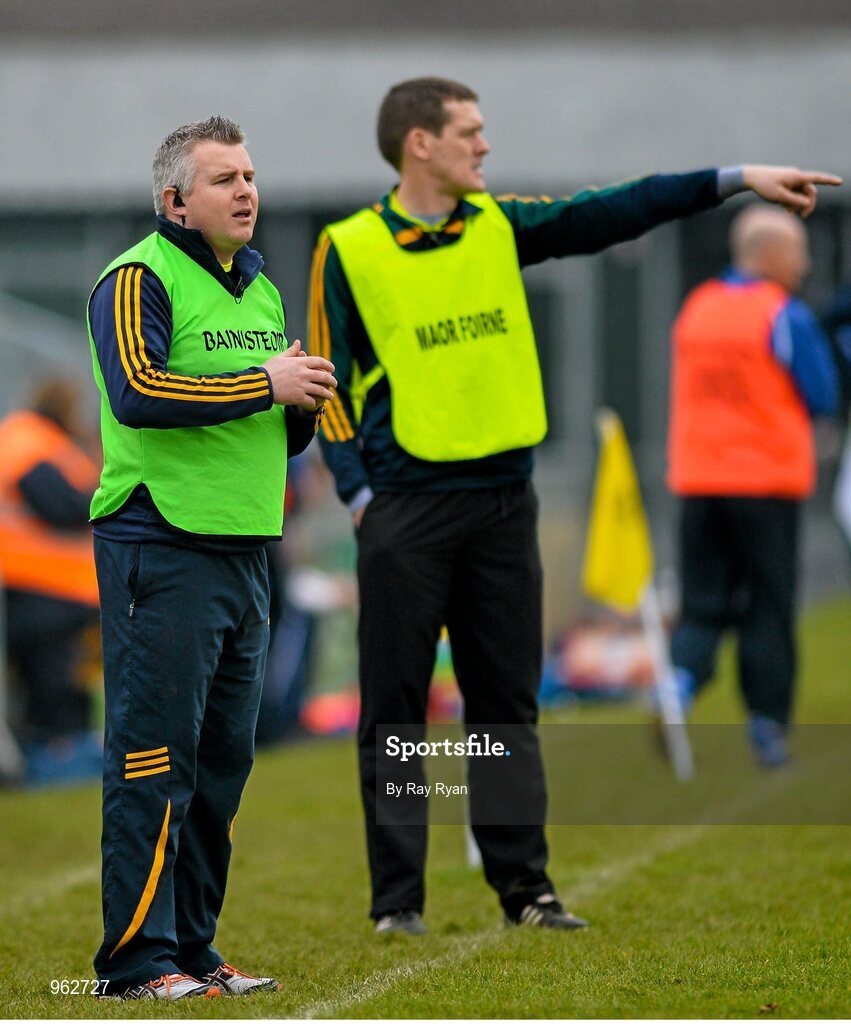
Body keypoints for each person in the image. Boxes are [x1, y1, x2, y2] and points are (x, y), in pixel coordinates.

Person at [308, 75, 841, 935]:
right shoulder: (348, 246)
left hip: (500, 507)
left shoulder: (498, 225)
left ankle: (526, 892)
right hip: (405, 509)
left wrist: (736, 176)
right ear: (420, 144)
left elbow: (615, 210)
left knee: (505, 707)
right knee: (399, 713)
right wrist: (359, 492)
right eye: (468, 131)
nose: (484, 145)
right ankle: (397, 901)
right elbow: (325, 381)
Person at [87, 115, 336, 1000]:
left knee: (224, 762)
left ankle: (193, 950)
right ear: (174, 201)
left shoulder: (261, 291)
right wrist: (264, 383)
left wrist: (300, 401)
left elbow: (272, 434)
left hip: (244, 553)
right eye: (224, 178)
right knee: (156, 760)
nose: (245, 191)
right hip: (160, 544)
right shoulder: (133, 278)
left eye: (250, 176)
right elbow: (141, 391)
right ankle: (134, 962)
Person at [667, 205, 840, 767]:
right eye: (797, 251)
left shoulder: (697, 308)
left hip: (698, 480)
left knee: (702, 602)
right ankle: (767, 725)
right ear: (768, 254)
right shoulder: (782, 313)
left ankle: (678, 686)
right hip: (765, 483)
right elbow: (822, 394)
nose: (805, 262)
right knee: (768, 605)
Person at [0, 377, 102, 783]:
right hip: (39, 590)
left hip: (56, 593)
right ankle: (53, 764)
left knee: (66, 681)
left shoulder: (47, 443)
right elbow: (60, 506)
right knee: (51, 684)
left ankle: (59, 759)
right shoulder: (30, 439)